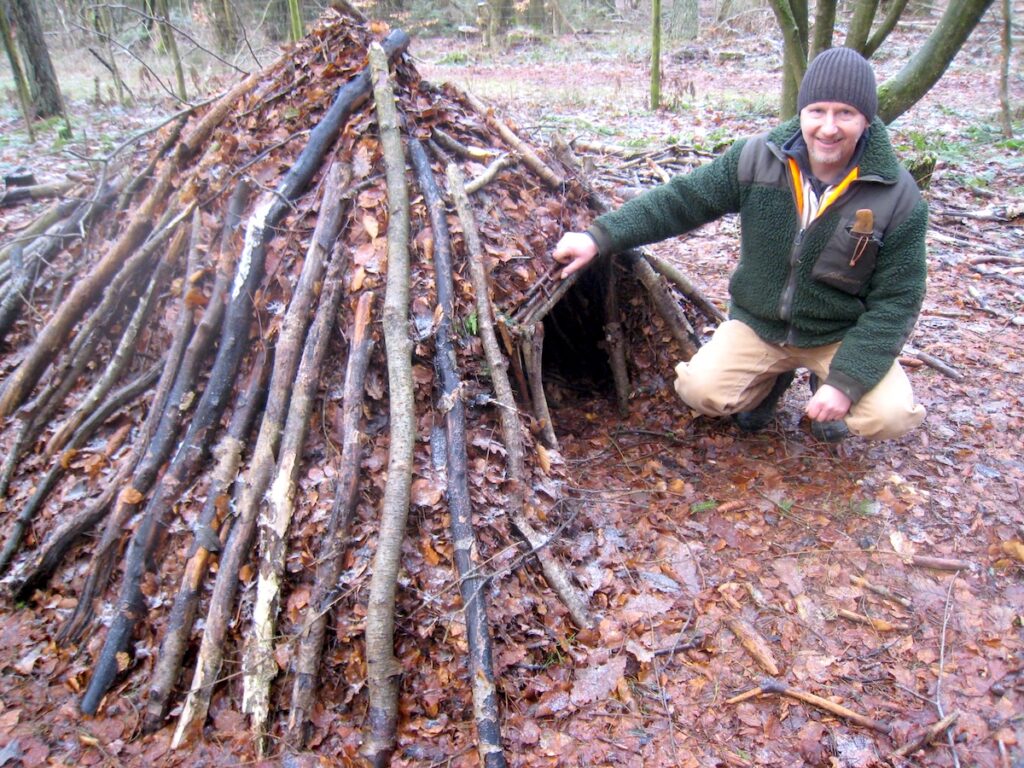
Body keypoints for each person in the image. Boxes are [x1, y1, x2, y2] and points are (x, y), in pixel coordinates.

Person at [552, 47, 928, 443]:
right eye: (817, 111)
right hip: (760, 325)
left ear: (866, 119)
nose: (828, 128)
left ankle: (826, 384)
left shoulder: (896, 195)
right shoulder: (757, 159)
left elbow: (898, 300)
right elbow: (682, 200)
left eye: (845, 114)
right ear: (801, 112)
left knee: (890, 416)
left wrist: (846, 382)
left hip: (840, 333)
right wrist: (599, 236)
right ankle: (769, 383)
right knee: (700, 391)